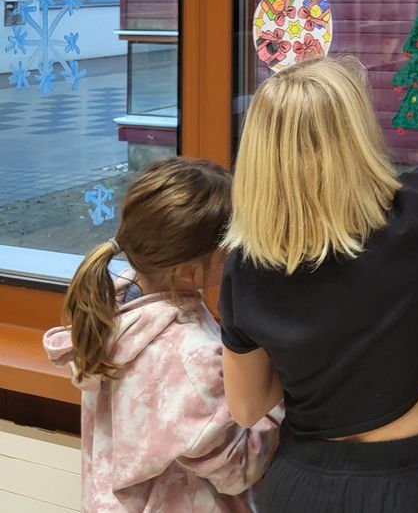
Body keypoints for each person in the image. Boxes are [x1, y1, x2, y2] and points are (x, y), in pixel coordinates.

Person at [219, 57, 418, 513]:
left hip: (301, 486)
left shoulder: (245, 265)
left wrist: (309, 355)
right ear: (356, 140)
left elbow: (248, 407)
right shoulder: (408, 218)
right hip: (406, 490)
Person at [44, 157, 283, 512]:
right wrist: (274, 399)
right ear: (189, 273)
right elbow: (238, 470)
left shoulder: (114, 307)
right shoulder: (188, 356)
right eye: (230, 249)